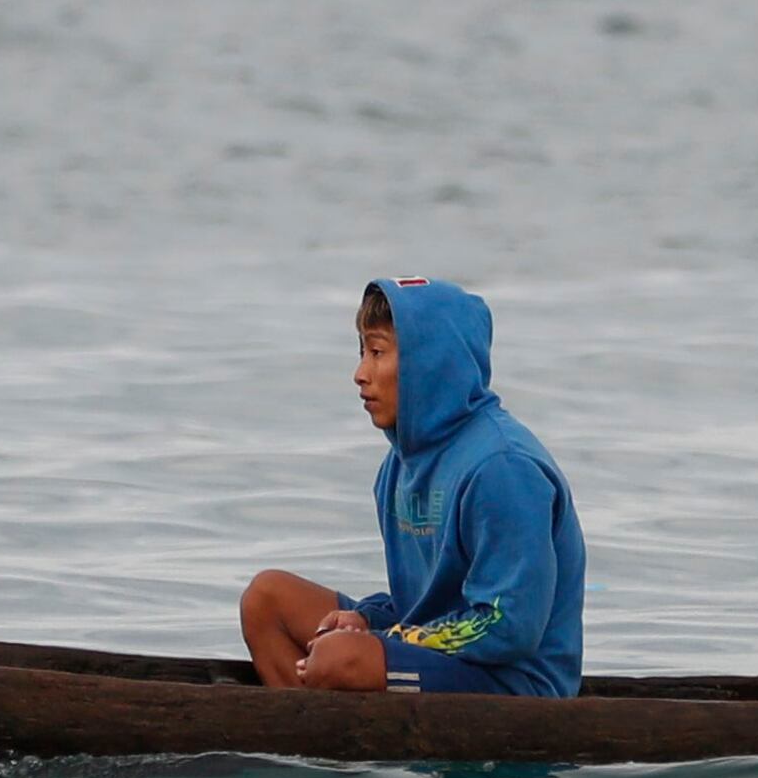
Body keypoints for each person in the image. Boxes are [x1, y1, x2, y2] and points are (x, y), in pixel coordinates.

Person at [239, 277, 587, 697]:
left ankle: (323, 720)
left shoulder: (503, 468)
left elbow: (508, 625)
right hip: (434, 649)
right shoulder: (399, 466)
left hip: (515, 683)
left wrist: (381, 644)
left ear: (429, 364)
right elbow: (421, 604)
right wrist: (366, 619)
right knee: (267, 599)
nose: (360, 374)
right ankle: (304, 735)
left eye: (378, 352)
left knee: (340, 660)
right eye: (362, 352)